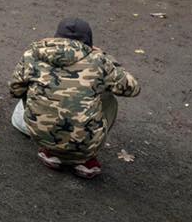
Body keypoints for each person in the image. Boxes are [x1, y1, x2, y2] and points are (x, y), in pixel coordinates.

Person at [10, 18, 140, 179]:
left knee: (27, 88)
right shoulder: (99, 61)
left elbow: (14, 90)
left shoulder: (33, 54)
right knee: (108, 97)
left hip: (40, 135)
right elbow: (132, 88)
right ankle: (85, 159)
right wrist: (107, 58)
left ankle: (49, 149)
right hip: (85, 143)